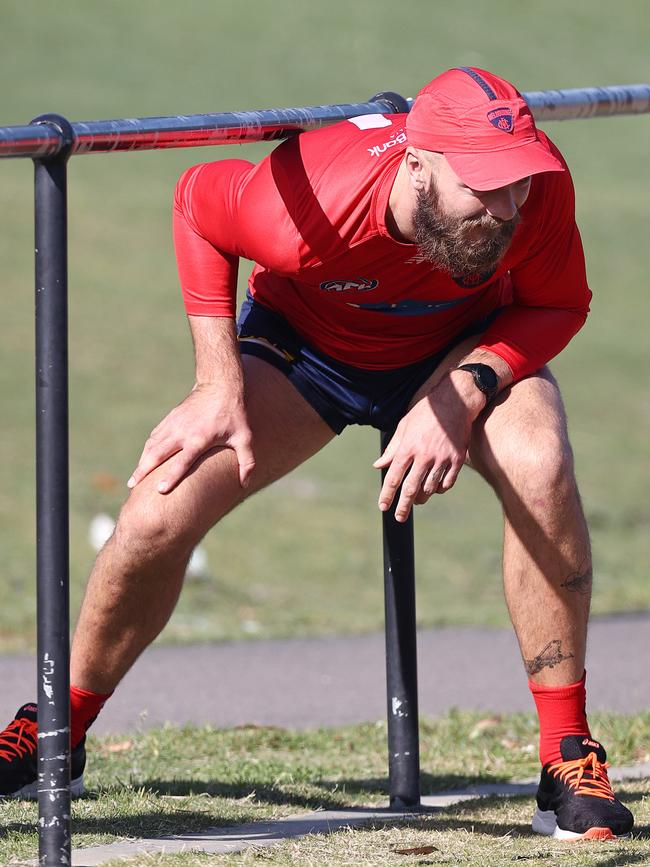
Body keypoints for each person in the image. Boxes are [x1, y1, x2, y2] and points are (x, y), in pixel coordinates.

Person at [0, 66, 634, 841]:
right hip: (309, 353)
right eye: (483, 189)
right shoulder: (310, 206)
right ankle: (57, 728)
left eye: (518, 187)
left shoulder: (536, 189)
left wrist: (460, 393)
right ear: (417, 164)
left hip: (461, 351)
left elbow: (560, 302)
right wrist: (215, 380)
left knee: (541, 464)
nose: (505, 210)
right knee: (155, 511)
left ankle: (566, 749)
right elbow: (199, 200)